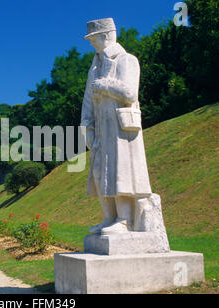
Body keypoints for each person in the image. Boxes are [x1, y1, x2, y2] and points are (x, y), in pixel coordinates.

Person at [81, 18, 152, 235]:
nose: (92, 43)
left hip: (121, 130)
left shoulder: (126, 60)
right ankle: (109, 218)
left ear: (107, 36)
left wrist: (105, 85)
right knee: (100, 171)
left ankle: (124, 220)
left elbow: (130, 93)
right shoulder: (94, 68)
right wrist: (87, 126)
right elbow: (87, 102)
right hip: (101, 129)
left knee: (121, 171)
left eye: (94, 39)